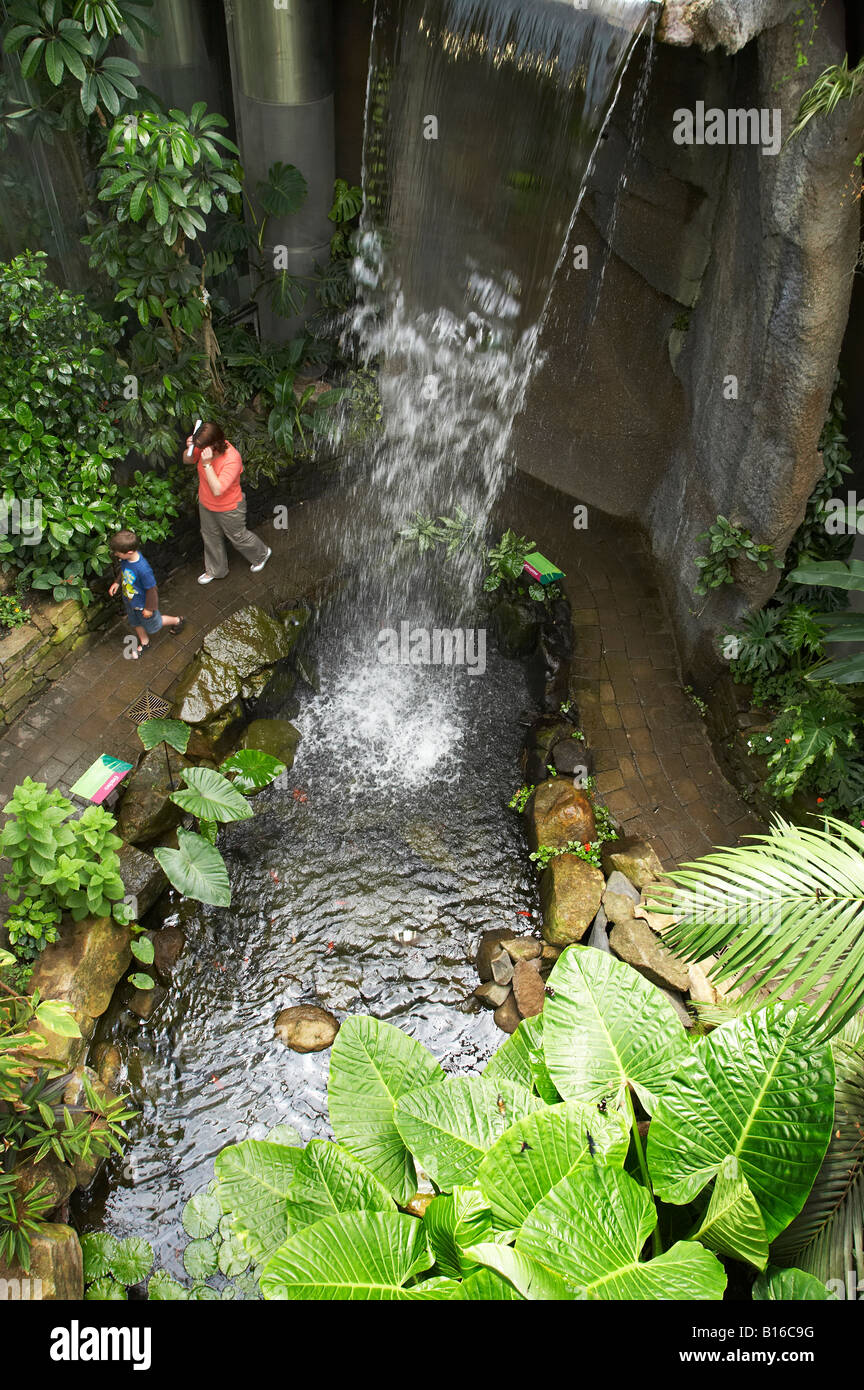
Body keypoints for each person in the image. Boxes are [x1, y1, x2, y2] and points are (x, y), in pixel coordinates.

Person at [184, 422, 272, 585]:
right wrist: (190, 447)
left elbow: (218, 489)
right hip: (206, 503)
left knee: (238, 537)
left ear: (214, 444)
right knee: (210, 536)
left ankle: (262, 554)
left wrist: (207, 464)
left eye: (201, 447)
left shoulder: (232, 458)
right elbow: (187, 460)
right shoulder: (204, 448)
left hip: (229, 507)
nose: (200, 451)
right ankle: (216, 570)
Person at [109, 530, 185, 658]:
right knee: (135, 622)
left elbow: (152, 590)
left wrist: (149, 608)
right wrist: (117, 582)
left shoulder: (143, 569)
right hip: (130, 600)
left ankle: (178, 621)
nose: (116, 555)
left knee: (155, 624)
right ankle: (145, 642)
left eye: (118, 553)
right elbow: (123, 571)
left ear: (129, 552)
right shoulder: (125, 560)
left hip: (142, 604)